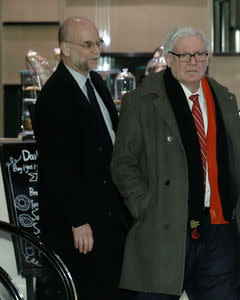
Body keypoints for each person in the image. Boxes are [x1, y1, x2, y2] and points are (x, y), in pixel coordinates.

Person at [110, 26, 240, 299]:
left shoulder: (223, 98)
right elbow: (123, 163)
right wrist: (146, 207)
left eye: (199, 54)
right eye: (184, 55)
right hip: (165, 228)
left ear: (208, 58)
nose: (193, 62)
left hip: (218, 228)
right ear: (168, 58)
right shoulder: (141, 102)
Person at [34, 16, 129, 299]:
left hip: (109, 218)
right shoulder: (53, 96)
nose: (96, 51)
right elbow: (56, 166)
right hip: (80, 226)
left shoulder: (96, 83)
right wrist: (78, 219)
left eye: (97, 43)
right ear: (65, 47)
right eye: (87, 45)